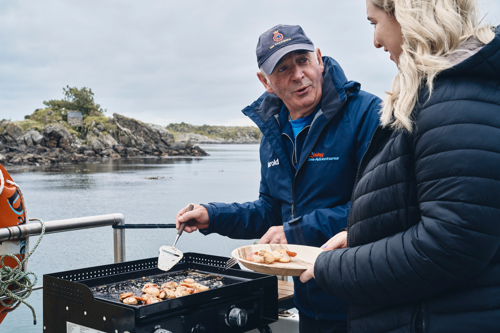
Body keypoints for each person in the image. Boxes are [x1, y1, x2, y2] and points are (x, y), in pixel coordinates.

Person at [300, 1, 500, 332]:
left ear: (408, 16)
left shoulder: (453, 103)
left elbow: (450, 246)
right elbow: (438, 211)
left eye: (374, 22)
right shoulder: (447, 94)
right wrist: (361, 236)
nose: (376, 41)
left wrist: (331, 267)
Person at [176, 24, 381, 332]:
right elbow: (272, 210)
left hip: (366, 299)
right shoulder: (272, 134)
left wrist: (296, 231)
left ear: (319, 60)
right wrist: (213, 216)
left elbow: (381, 206)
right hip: (311, 302)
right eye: (283, 68)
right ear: (265, 82)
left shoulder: (368, 114)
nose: (298, 74)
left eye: (303, 60)